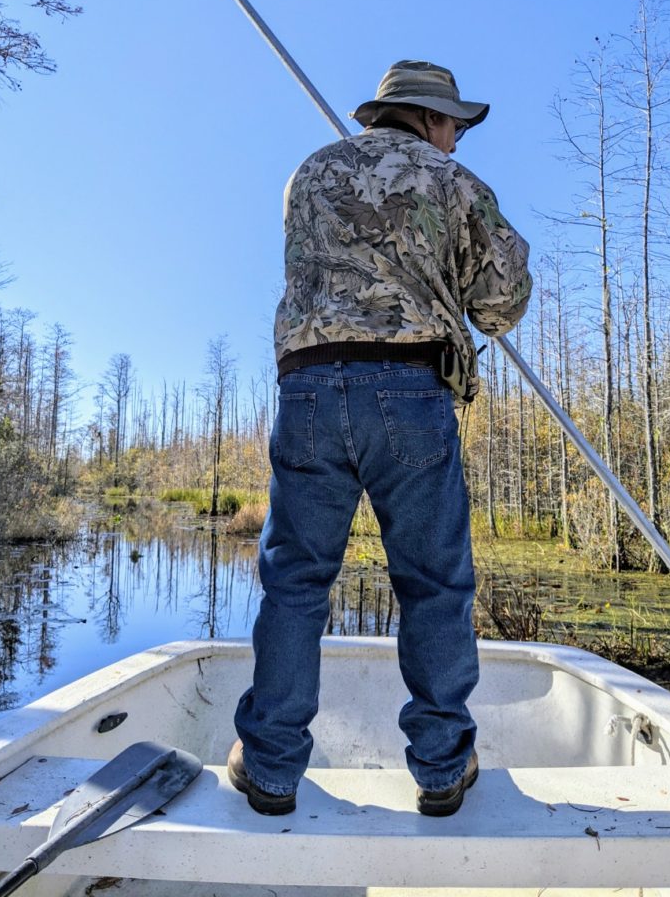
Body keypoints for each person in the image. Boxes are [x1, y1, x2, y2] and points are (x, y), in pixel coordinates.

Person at [228, 60, 532, 817]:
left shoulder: (308, 173)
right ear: (428, 118)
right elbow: (501, 300)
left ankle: (269, 768)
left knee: (295, 582)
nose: (456, 139)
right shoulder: (450, 180)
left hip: (306, 389)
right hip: (408, 392)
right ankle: (439, 770)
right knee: (432, 586)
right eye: (453, 124)